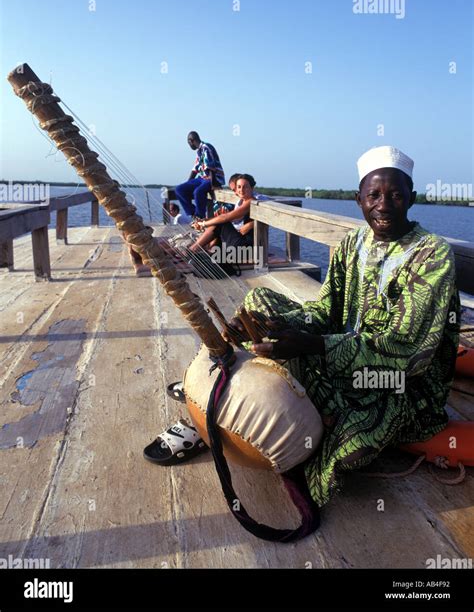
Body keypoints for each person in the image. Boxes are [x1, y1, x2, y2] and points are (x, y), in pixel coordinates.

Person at [143, 146, 460, 511]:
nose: (384, 204)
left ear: (412, 199)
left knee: (352, 447)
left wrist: (313, 346)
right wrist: (273, 327)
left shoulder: (431, 254)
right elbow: (325, 310)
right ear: (359, 199)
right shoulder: (352, 244)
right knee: (259, 303)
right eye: (374, 195)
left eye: (395, 195)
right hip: (334, 349)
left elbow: (408, 352)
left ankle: (237, 417)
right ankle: (219, 409)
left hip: (399, 381)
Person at [188, 174, 256, 257]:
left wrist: (203, 224)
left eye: (245, 187)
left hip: (246, 247)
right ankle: (196, 250)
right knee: (219, 222)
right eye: (239, 187)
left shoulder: (251, 202)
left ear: (252, 188)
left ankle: (192, 250)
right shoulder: (242, 201)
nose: (241, 190)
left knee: (221, 222)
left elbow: (226, 217)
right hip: (239, 241)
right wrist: (205, 221)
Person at [175, 131, 225, 221]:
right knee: (179, 189)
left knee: (198, 192)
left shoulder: (206, 147)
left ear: (191, 141)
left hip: (213, 178)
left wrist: (213, 185)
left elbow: (211, 168)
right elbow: (195, 169)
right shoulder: (199, 151)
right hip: (202, 178)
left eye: (189, 143)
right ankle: (194, 213)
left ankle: (200, 216)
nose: (189, 146)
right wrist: (188, 184)